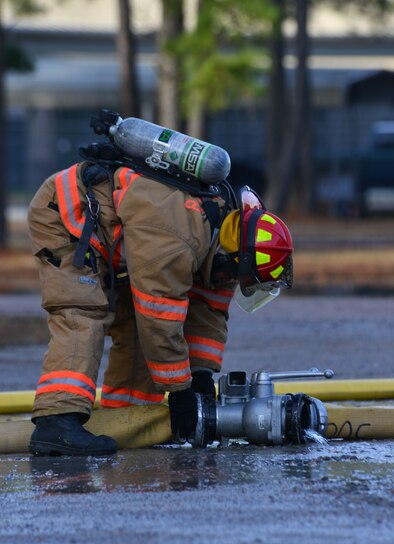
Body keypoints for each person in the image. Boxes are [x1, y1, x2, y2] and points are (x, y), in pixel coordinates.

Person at [27, 132, 293, 456]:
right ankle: (56, 422)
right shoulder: (179, 235)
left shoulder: (224, 238)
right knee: (83, 314)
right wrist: (180, 391)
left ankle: (127, 421)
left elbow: (207, 315)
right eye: (238, 277)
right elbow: (159, 316)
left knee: (139, 334)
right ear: (238, 258)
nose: (230, 282)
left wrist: (201, 376)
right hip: (67, 217)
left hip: (115, 238)